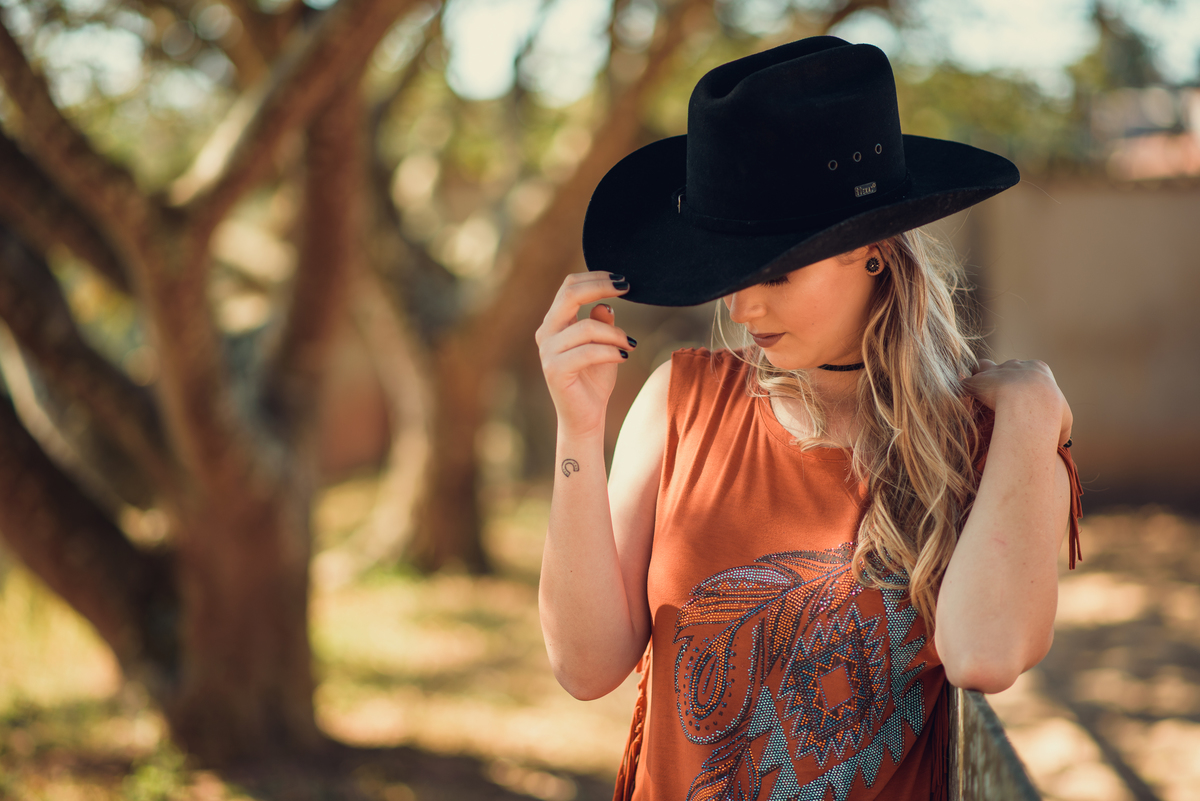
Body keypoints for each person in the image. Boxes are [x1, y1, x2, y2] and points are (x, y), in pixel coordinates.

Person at [535, 37, 1083, 801]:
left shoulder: (987, 446)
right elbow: (585, 666)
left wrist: (1029, 408)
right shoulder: (681, 400)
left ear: (873, 254)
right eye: (730, 269)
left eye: (775, 271)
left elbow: (986, 654)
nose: (741, 305)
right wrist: (578, 430)